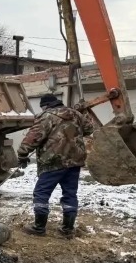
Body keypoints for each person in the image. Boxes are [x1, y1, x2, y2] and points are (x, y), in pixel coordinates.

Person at [16, 93, 93, 238]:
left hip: (53, 161)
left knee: (41, 193)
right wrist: (83, 113)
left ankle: (39, 227)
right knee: (70, 194)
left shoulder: (46, 116)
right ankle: (68, 229)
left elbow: (34, 136)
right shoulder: (76, 114)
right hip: (74, 161)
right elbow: (89, 129)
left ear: (46, 105)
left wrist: (22, 154)